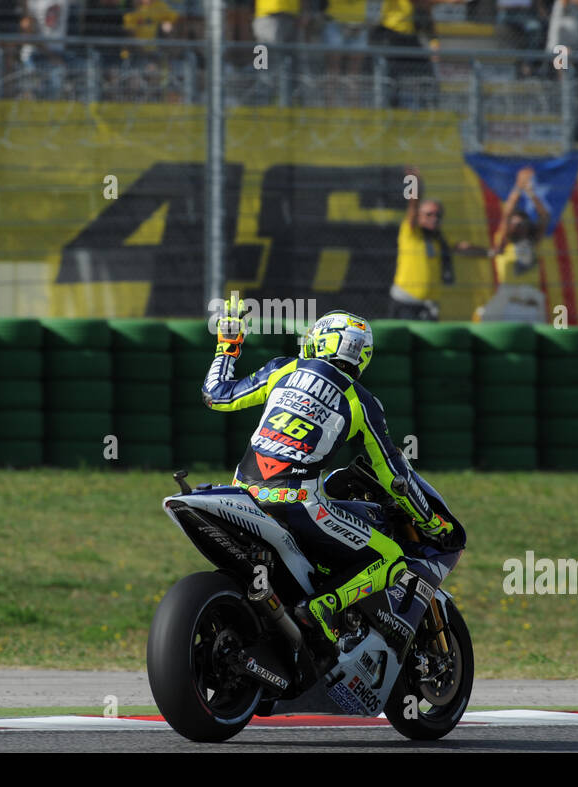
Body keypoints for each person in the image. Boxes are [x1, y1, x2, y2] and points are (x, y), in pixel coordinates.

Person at [202, 302, 456, 647]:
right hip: (297, 505)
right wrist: (430, 522)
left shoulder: (284, 369)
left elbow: (215, 396)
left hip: (242, 495)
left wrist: (227, 344)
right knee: (391, 558)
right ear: (361, 358)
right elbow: (396, 479)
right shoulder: (361, 401)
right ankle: (322, 608)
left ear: (318, 340)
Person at [369, 0, 470, 108]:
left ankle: (427, 110)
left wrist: (434, 41)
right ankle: (391, 111)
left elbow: (427, 13)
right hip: (391, 34)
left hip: (410, 36)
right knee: (392, 78)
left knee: (427, 74)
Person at [390, 166, 484, 320]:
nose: (434, 218)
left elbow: (463, 247)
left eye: (438, 215)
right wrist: (414, 182)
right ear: (419, 216)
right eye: (429, 214)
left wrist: (490, 252)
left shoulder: (440, 239)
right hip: (405, 302)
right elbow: (413, 205)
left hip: (429, 303)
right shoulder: (411, 232)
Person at [476, 166, 549, 323]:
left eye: (522, 224)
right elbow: (506, 215)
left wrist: (530, 192)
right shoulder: (504, 243)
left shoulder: (533, 243)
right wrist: (518, 187)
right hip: (508, 303)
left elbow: (544, 217)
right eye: (515, 224)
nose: (518, 227)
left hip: (531, 304)